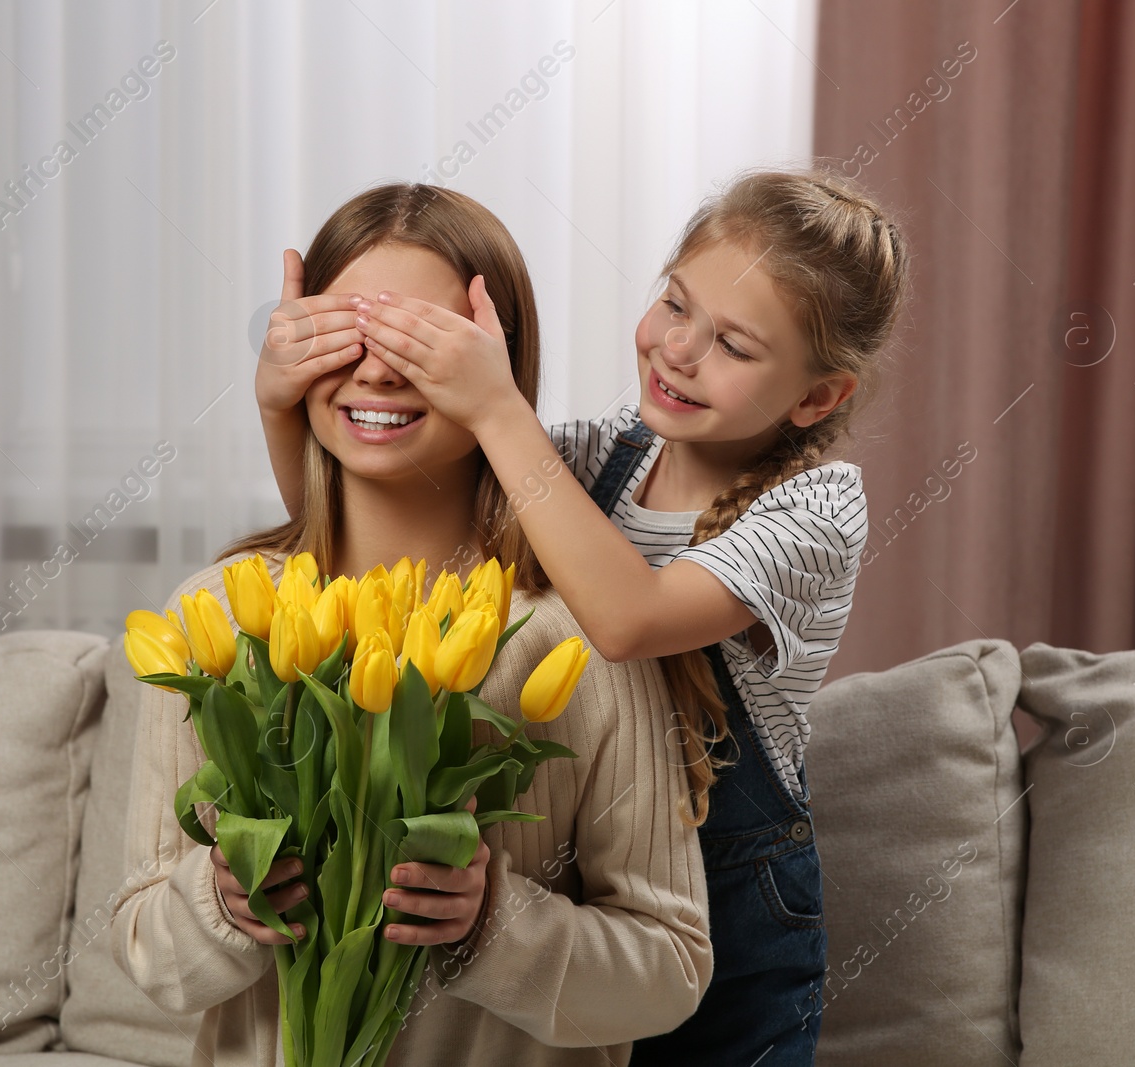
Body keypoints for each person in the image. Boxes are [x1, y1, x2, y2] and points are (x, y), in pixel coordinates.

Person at [259, 168, 910, 1065]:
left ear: (816, 398)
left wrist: (494, 403)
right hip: (604, 887)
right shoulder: (600, 456)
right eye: (675, 305)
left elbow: (627, 618)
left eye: (734, 344)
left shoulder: (816, 512)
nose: (679, 350)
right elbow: (376, 522)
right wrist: (283, 401)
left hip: (737, 915)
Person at [110, 182, 712, 1067]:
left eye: (423, 342)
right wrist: (219, 902)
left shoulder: (582, 636)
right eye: (346, 332)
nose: (379, 370)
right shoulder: (219, 613)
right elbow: (145, 950)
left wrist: (490, 925)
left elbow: (672, 966)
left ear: (497, 369)